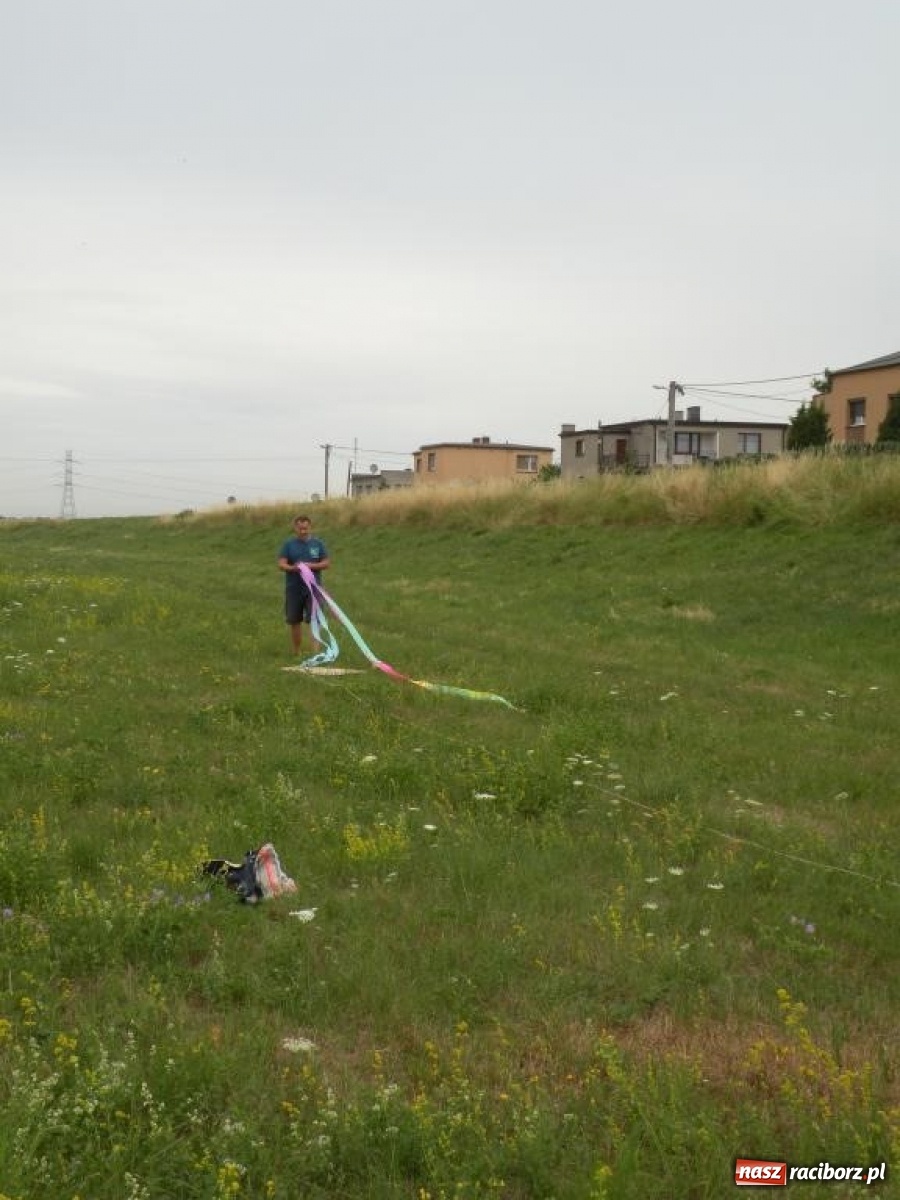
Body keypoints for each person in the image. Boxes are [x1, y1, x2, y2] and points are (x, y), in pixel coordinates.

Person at [278, 515, 331, 656]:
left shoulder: (318, 544)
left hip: (313, 589)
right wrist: (294, 568)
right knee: (294, 620)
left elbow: (326, 563)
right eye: (300, 528)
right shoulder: (288, 545)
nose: (303, 531)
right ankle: (296, 652)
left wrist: (311, 566)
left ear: (310, 527)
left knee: (315, 619)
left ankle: (316, 653)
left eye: (305, 528)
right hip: (294, 588)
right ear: (295, 528)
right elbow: (282, 564)